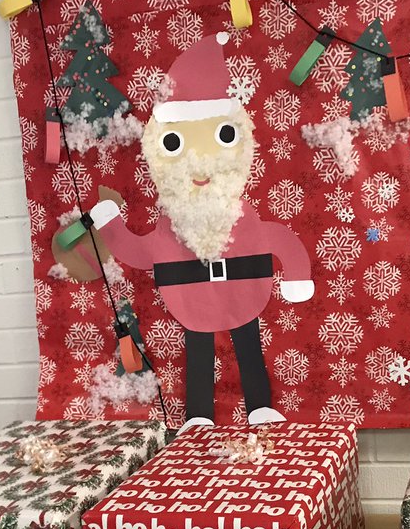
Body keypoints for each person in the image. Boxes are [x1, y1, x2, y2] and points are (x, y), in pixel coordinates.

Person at [90, 33, 314, 428]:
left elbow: (276, 237)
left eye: (223, 137)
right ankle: (199, 414)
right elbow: (142, 253)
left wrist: (297, 275)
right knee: (198, 349)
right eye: (176, 143)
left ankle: (259, 405)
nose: (200, 165)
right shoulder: (171, 222)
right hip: (192, 298)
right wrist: (109, 223)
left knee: (248, 343)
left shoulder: (242, 215)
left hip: (243, 289)